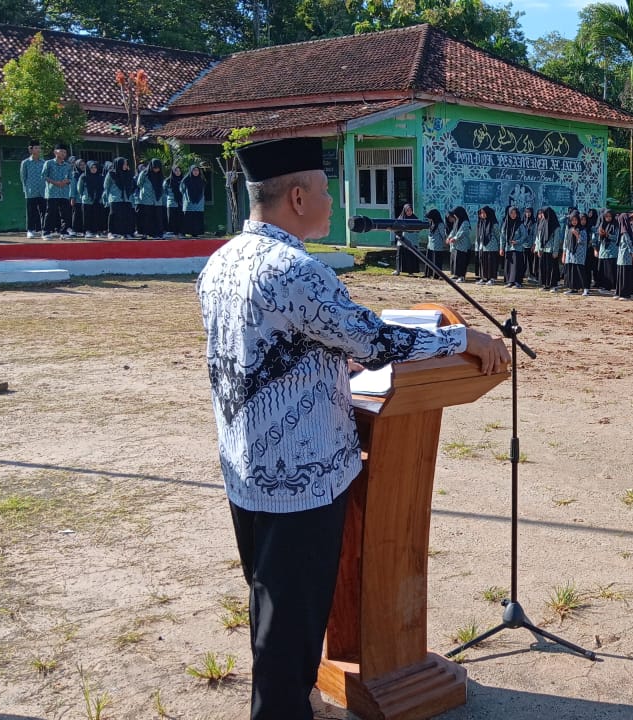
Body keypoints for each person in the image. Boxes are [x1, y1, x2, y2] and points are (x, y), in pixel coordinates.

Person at [195, 137, 508, 720]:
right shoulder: (295, 270)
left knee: (271, 610)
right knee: (290, 625)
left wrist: (331, 359)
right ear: (296, 196)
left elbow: (265, 350)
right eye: (323, 189)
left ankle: (292, 698)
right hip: (301, 478)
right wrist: (466, 337)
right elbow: (380, 340)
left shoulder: (222, 260)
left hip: (246, 472)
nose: (334, 201)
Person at [42, 143, 75, 237]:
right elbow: (44, 176)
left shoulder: (68, 165)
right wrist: (55, 182)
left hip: (64, 193)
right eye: (61, 151)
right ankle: (46, 231)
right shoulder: (48, 163)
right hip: (52, 193)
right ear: (55, 152)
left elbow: (71, 178)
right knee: (51, 212)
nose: (63, 153)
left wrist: (66, 181)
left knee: (66, 213)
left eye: (65, 152)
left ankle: (64, 232)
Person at [104, 157, 137, 239]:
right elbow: (106, 186)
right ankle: (111, 232)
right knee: (114, 215)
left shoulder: (128, 173)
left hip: (127, 198)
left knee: (126, 216)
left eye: (126, 164)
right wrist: (108, 198)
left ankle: (126, 233)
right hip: (115, 198)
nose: (126, 165)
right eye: (124, 164)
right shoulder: (111, 173)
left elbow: (132, 184)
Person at [21, 140, 47, 238]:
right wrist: (26, 190)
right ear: (30, 149)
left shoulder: (44, 163)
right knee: (31, 211)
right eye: (35, 148)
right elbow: (23, 177)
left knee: (44, 211)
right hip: (30, 191)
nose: (38, 150)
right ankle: (30, 230)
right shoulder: (25, 163)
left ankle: (44, 230)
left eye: (39, 148)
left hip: (42, 191)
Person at [76, 160, 107, 238]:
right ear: (88, 168)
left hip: (98, 199)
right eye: (92, 167)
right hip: (87, 200)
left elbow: (103, 188)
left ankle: (96, 231)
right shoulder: (84, 176)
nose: (94, 169)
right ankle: (87, 231)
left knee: (97, 215)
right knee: (87, 216)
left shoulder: (101, 177)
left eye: (95, 167)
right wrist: (83, 196)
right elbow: (80, 188)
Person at [136, 158, 166, 239]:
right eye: (154, 167)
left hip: (157, 199)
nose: (156, 169)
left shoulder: (160, 175)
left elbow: (162, 187)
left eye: (158, 167)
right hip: (146, 199)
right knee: (146, 217)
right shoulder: (144, 173)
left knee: (157, 217)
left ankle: (157, 233)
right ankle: (145, 233)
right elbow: (139, 184)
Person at [534, 207, 561, 291]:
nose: (542, 215)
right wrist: (538, 249)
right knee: (544, 268)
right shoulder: (541, 223)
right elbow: (538, 237)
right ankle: (545, 285)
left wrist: (556, 251)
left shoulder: (555, 225)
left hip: (551, 250)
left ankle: (553, 285)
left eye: (543, 213)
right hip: (543, 250)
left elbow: (557, 239)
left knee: (552, 268)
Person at [562, 210, 588, 295]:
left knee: (580, 271)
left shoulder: (582, 230)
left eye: (576, 220)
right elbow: (565, 242)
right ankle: (573, 288)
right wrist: (564, 254)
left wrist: (577, 234)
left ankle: (585, 288)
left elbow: (583, 241)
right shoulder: (568, 229)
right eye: (572, 220)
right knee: (571, 272)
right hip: (570, 254)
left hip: (579, 254)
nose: (574, 222)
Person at [502, 206, 527, 287]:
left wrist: (517, 241)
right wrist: (501, 248)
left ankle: (517, 282)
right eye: (511, 213)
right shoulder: (506, 223)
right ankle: (510, 281)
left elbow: (524, 235)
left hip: (517, 248)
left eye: (515, 213)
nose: (513, 215)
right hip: (508, 248)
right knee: (509, 265)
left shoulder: (520, 224)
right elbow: (502, 236)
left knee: (516, 266)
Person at [595, 208, 618, 294]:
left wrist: (607, 235)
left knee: (611, 270)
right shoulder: (602, 225)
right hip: (603, 250)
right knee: (603, 270)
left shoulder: (616, 225)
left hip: (612, 251)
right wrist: (600, 234)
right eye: (606, 216)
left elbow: (617, 238)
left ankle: (613, 287)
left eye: (609, 216)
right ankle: (605, 286)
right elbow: (598, 238)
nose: (608, 218)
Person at [475, 206, 500, 284]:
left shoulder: (494, 223)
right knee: (483, 262)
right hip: (483, 247)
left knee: (491, 263)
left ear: (488, 213)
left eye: (483, 213)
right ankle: (484, 278)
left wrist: (500, 246)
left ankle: (492, 279)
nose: (482, 215)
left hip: (492, 247)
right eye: (481, 213)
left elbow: (498, 235)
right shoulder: (482, 222)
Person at [446, 206, 472, 281]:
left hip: (463, 245)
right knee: (455, 260)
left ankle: (462, 277)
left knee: (461, 261)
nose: (454, 216)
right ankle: (456, 275)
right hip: (456, 245)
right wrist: (449, 237)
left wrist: (455, 238)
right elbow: (453, 231)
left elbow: (462, 232)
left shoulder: (465, 222)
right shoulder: (457, 221)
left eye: (455, 214)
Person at [614, 212, 633, 300]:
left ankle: (625, 294)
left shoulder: (625, 232)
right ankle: (619, 292)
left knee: (625, 276)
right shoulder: (622, 231)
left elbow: (629, 245)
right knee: (621, 275)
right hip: (621, 258)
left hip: (626, 258)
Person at [181, 165, 206, 237]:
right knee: (188, 218)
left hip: (199, 203)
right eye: (194, 170)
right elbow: (181, 190)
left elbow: (203, 191)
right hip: (189, 203)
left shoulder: (202, 180)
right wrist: (187, 197)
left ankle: (196, 232)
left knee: (197, 218)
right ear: (191, 171)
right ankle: (186, 232)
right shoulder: (186, 180)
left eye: (197, 170)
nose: (196, 172)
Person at [422, 208, 448, 278]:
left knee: (436, 261)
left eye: (430, 217)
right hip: (430, 245)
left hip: (437, 245)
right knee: (429, 259)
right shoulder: (431, 223)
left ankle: (436, 275)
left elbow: (443, 235)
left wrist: (445, 243)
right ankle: (428, 273)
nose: (429, 219)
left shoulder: (440, 224)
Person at [165, 165, 185, 237]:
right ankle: (171, 231)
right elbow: (165, 191)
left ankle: (180, 232)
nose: (178, 172)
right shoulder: (168, 180)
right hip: (171, 202)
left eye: (179, 170)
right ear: (173, 171)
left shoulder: (183, 180)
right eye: (176, 170)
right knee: (171, 217)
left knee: (180, 217)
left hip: (181, 202)